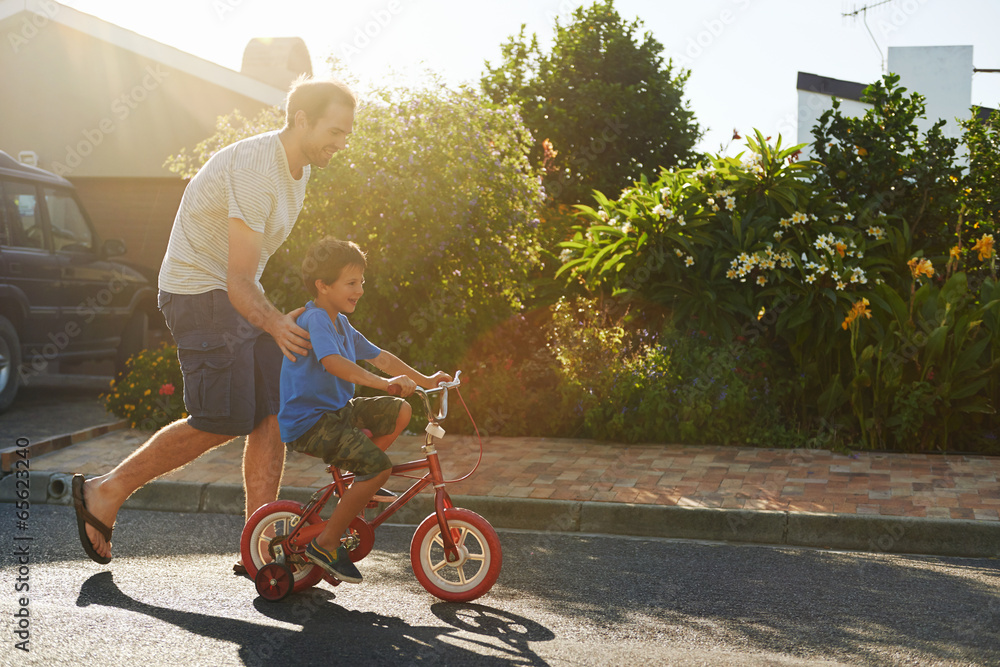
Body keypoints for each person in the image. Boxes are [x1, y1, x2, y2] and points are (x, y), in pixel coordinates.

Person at [72, 77, 356, 566]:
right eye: (335, 130)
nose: (341, 142)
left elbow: (246, 278)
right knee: (222, 418)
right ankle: (105, 491)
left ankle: (259, 544)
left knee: (272, 408)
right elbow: (237, 280)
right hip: (196, 294)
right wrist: (272, 322)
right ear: (302, 119)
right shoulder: (255, 168)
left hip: (232, 295)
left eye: (347, 134)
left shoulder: (299, 169)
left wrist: (274, 319)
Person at [279, 237, 450, 583]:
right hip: (310, 423)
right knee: (378, 469)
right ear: (323, 286)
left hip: (337, 411)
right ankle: (326, 544)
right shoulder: (316, 320)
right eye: (351, 283)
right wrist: (383, 384)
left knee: (400, 411)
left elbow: (382, 357)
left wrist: (426, 381)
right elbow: (334, 364)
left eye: (362, 282)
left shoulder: (340, 322)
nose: (359, 290)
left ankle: (361, 482)